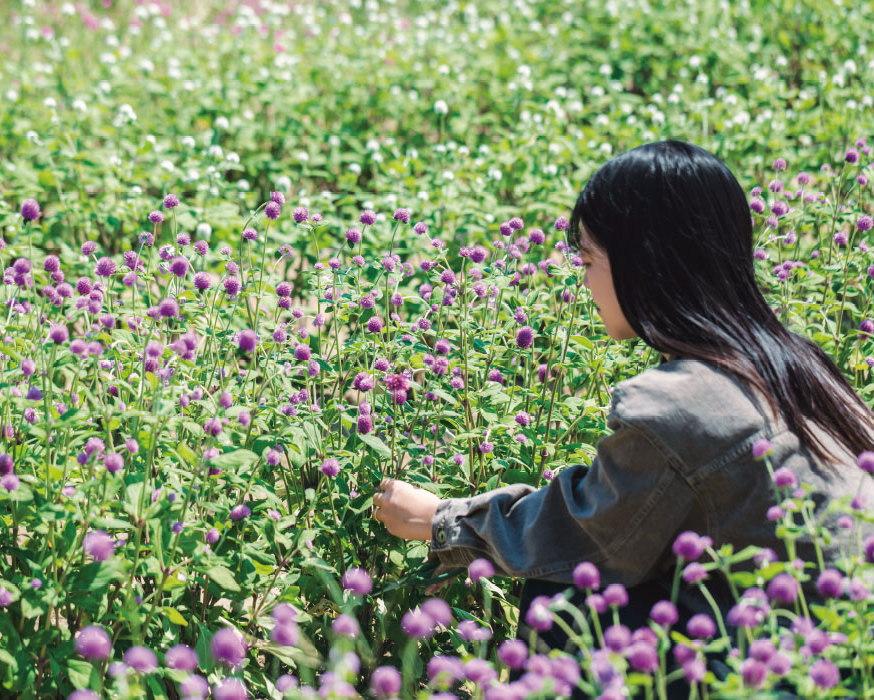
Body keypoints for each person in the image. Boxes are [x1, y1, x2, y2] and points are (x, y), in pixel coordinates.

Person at [370, 140, 874, 698]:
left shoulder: (683, 402)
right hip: (850, 641)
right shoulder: (798, 363)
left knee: (565, 602)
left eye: (587, 260)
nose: (583, 283)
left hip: (797, 672)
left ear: (646, 262)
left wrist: (442, 519)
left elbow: (589, 533)